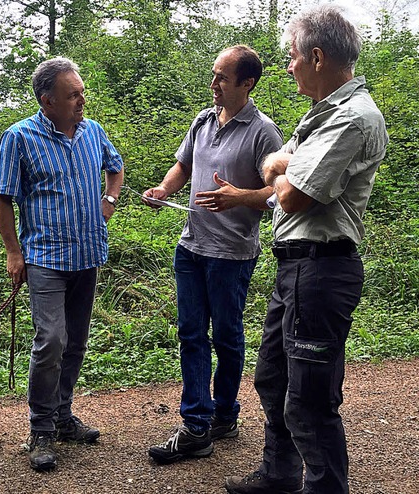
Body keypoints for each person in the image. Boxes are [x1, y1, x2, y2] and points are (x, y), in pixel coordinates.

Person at [225, 6, 388, 494]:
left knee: (311, 400)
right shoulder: (321, 114)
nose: (289, 66)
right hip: (296, 269)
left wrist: (283, 171)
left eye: (293, 57)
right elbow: (274, 170)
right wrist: (284, 168)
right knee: (272, 380)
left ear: (317, 56)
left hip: (322, 270)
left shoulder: (354, 119)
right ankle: (279, 475)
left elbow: (294, 194)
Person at [143, 45, 283, 464]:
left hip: (232, 254)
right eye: (214, 75)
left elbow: (279, 195)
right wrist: (165, 190)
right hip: (191, 248)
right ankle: (197, 424)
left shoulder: (264, 132)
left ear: (247, 83)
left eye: (223, 77)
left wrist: (239, 196)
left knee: (226, 336)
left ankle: (225, 414)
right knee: (190, 335)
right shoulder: (203, 120)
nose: (214, 84)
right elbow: (183, 166)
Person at [0, 57, 124, 471]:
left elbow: (115, 168)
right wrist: (14, 252)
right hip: (45, 258)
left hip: (88, 255)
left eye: (81, 91)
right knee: (51, 340)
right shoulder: (19, 137)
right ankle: (41, 428)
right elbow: (2, 197)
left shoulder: (93, 131)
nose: (82, 100)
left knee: (76, 342)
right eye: (74, 95)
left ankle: (63, 416)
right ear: (47, 100)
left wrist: (109, 201)